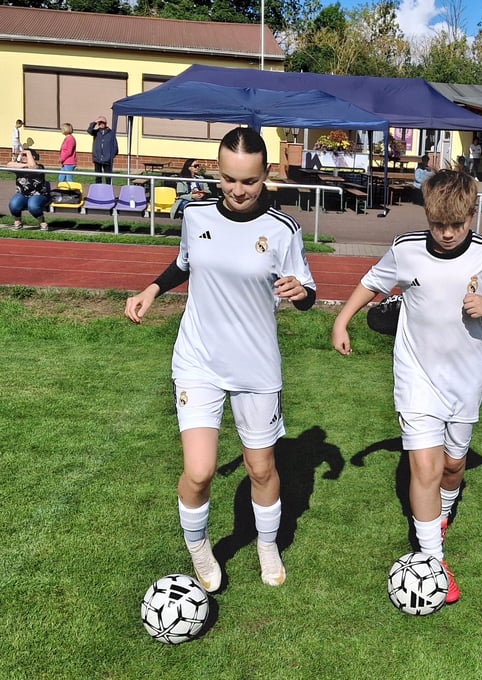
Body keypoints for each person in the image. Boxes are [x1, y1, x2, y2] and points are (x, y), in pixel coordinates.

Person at [124, 127, 317, 592]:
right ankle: (199, 549)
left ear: (266, 175)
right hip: (198, 359)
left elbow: (307, 294)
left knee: (261, 468)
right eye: (228, 179)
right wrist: (152, 288)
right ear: (217, 170)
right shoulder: (194, 213)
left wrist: (301, 293)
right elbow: (185, 262)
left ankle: (267, 545)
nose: (237, 190)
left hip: (255, 365)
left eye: (249, 181)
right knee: (199, 470)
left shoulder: (283, 230)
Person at [331, 169, 482, 604]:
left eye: (457, 225)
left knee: (453, 467)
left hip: (465, 383)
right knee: (425, 468)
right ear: (427, 215)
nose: (447, 233)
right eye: (439, 224)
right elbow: (371, 283)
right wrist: (342, 320)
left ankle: (443, 511)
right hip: (416, 378)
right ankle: (433, 562)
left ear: (472, 215)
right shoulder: (406, 249)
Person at [7, 149, 50, 231]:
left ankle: (42, 222)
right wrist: (22, 164)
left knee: (32, 205)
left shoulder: (40, 167)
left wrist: (28, 152)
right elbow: (9, 164)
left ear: (32, 157)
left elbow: (32, 167)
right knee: (13, 204)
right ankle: (18, 222)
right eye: (22, 155)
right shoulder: (20, 168)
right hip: (22, 194)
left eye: (25, 155)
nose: (23, 157)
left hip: (38, 194)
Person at [87, 115, 118, 184]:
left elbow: (115, 147)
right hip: (97, 159)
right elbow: (89, 130)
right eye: (99, 123)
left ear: (106, 123)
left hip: (107, 160)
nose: (101, 124)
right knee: (98, 177)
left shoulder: (111, 133)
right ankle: (98, 192)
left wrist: (110, 156)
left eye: (103, 122)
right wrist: (95, 122)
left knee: (108, 178)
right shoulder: (96, 132)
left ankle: (108, 192)